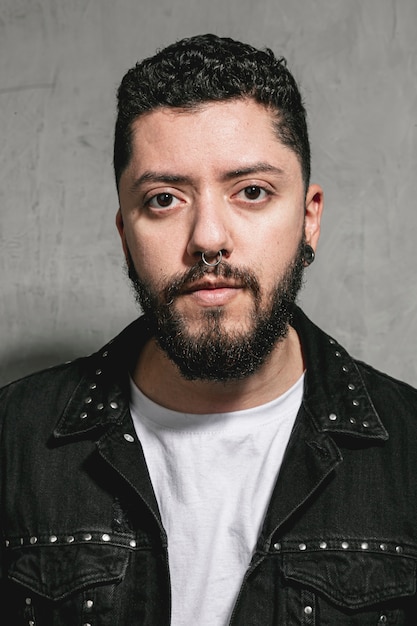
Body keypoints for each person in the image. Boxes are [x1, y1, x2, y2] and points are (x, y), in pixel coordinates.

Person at [1, 33, 417, 626]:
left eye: (251, 191)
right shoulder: (12, 442)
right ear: (125, 234)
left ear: (308, 218)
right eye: (165, 199)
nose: (207, 238)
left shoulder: (408, 452)